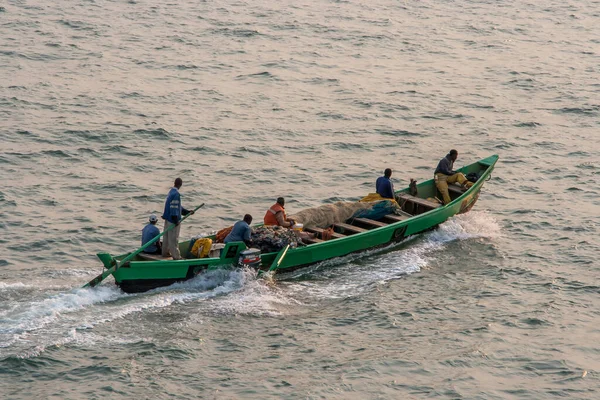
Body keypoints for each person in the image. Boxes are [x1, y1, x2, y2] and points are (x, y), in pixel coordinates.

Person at [161, 177, 194, 260]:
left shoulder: (171, 192)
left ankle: (165, 253)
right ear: (180, 185)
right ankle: (176, 256)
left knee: (166, 238)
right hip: (172, 220)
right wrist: (176, 220)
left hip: (167, 218)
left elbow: (178, 207)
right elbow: (174, 207)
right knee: (173, 239)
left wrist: (187, 212)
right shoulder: (176, 194)